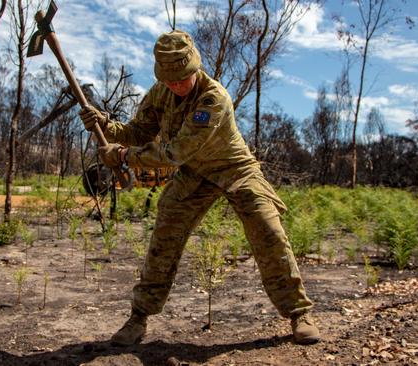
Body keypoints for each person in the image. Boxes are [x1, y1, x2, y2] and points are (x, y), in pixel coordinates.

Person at [79, 30, 320, 346]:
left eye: (183, 77)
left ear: (194, 68)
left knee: (268, 232)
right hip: (195, 175)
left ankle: (299, 313)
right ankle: (139, 318)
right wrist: (107, 126)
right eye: (170, 79)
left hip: (235, 170)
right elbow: (138, 131)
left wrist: (123, 155)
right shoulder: (160, 93)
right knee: (165, 234)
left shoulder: (213, 97)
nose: (177, 84)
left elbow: (175, 153)